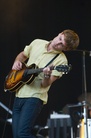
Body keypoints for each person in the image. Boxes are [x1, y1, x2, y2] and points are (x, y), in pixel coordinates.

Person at [12, 29, 79, 138]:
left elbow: (45, 84)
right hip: (19, 93)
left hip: (34, 98)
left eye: (62, 44)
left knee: (22, 134)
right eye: (60, 39)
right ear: (60, 34)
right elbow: (23, 55)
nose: (58, 43)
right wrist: (17, 62)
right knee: (16, 135)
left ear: (65, 49)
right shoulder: (37, 42)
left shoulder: (62, 61)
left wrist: (47, 75)